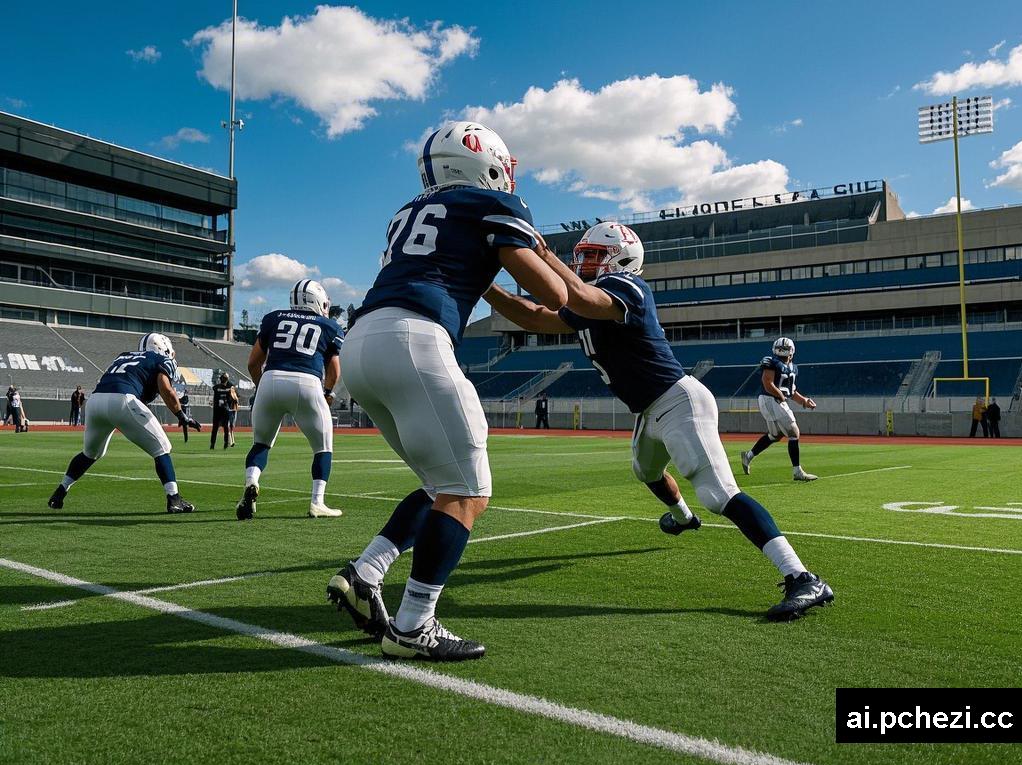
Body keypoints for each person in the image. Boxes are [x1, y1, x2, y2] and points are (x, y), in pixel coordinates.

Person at [484, 222, 833, 622]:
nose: (584, 263)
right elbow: (532, 316)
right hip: (649, 409)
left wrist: (543, 257)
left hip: (677, 400)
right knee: (646, 470)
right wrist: (484, 287)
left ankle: (802, 576)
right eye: (582, 255)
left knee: (719, 493)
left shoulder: (629, 288)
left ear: (624, 258)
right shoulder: (589, 303)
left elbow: (575, 295)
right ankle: (684, 519)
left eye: (595, 255)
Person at [327, 121, 567, 661]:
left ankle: (367, 570)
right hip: (414, 338)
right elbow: (549, 293)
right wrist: (558, 272)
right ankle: (415, 624)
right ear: (483, 163)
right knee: (468, 492)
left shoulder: (412, 215)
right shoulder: (490, 206)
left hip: (364, 340)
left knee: (441, 485)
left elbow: (508, 302)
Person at [47, 333, 201, 513]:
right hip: (123, 400)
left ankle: (60, 492)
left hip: (96, 401)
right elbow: (166, 389)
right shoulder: (162, 359)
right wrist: (182, 416)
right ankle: (174, 499)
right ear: (164, 348)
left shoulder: (123, 356)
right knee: (162, 448)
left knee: (90, 453)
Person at [235, 279, 344, 520]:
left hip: (271, 379)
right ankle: (317, 502)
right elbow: (334, 370)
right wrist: (327, 393)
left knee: (261, 443)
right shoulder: (329, 326)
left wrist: (262, 386)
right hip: (307, 382)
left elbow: (253, 362)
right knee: (323, 447)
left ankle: (251, 482)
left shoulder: (273, 318)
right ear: (316, 301)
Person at [739, 338, 818, 482]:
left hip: (774, 400)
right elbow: (767, 382)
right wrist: (781, 396)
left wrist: (805, 401)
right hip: (770, 399)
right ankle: (797, 471)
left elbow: (792, 392)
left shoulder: (792, 367)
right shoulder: (772, 362)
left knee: (776, 435)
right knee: (794, 432)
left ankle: (748, 456)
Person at [210, 373, 234, 449]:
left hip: (220, 410)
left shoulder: (217, 387)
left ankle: (214, 444)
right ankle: (224, 443)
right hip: (223, 409)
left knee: (217, 428)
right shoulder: (229, 387)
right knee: (223, 427)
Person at [226, 380, 239, 447]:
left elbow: (237, 400)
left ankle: (231, 441)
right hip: (229, 411)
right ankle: (230, 441)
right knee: (229, 426)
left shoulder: (234, 393)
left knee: (231, 426)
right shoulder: (227, 394)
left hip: (233, 410)